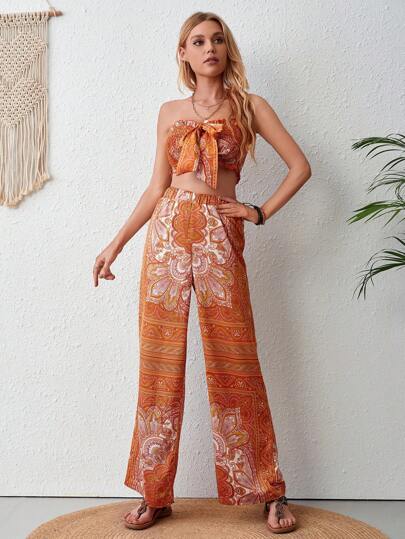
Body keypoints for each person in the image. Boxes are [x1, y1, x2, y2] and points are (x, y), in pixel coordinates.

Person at [93, 11, 311, 535]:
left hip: (219, 232)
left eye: (217, 39)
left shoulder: (251, 106)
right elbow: (156, 187)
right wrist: (116, 243)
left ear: (227, 49)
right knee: (159, 361)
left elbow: (301, 167)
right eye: (197, 41)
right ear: (183, 53)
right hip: (167, 233)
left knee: (236, 359)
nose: (209, 47)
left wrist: (258, 212)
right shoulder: (169, 112)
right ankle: (154, 493)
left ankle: (269, 489)